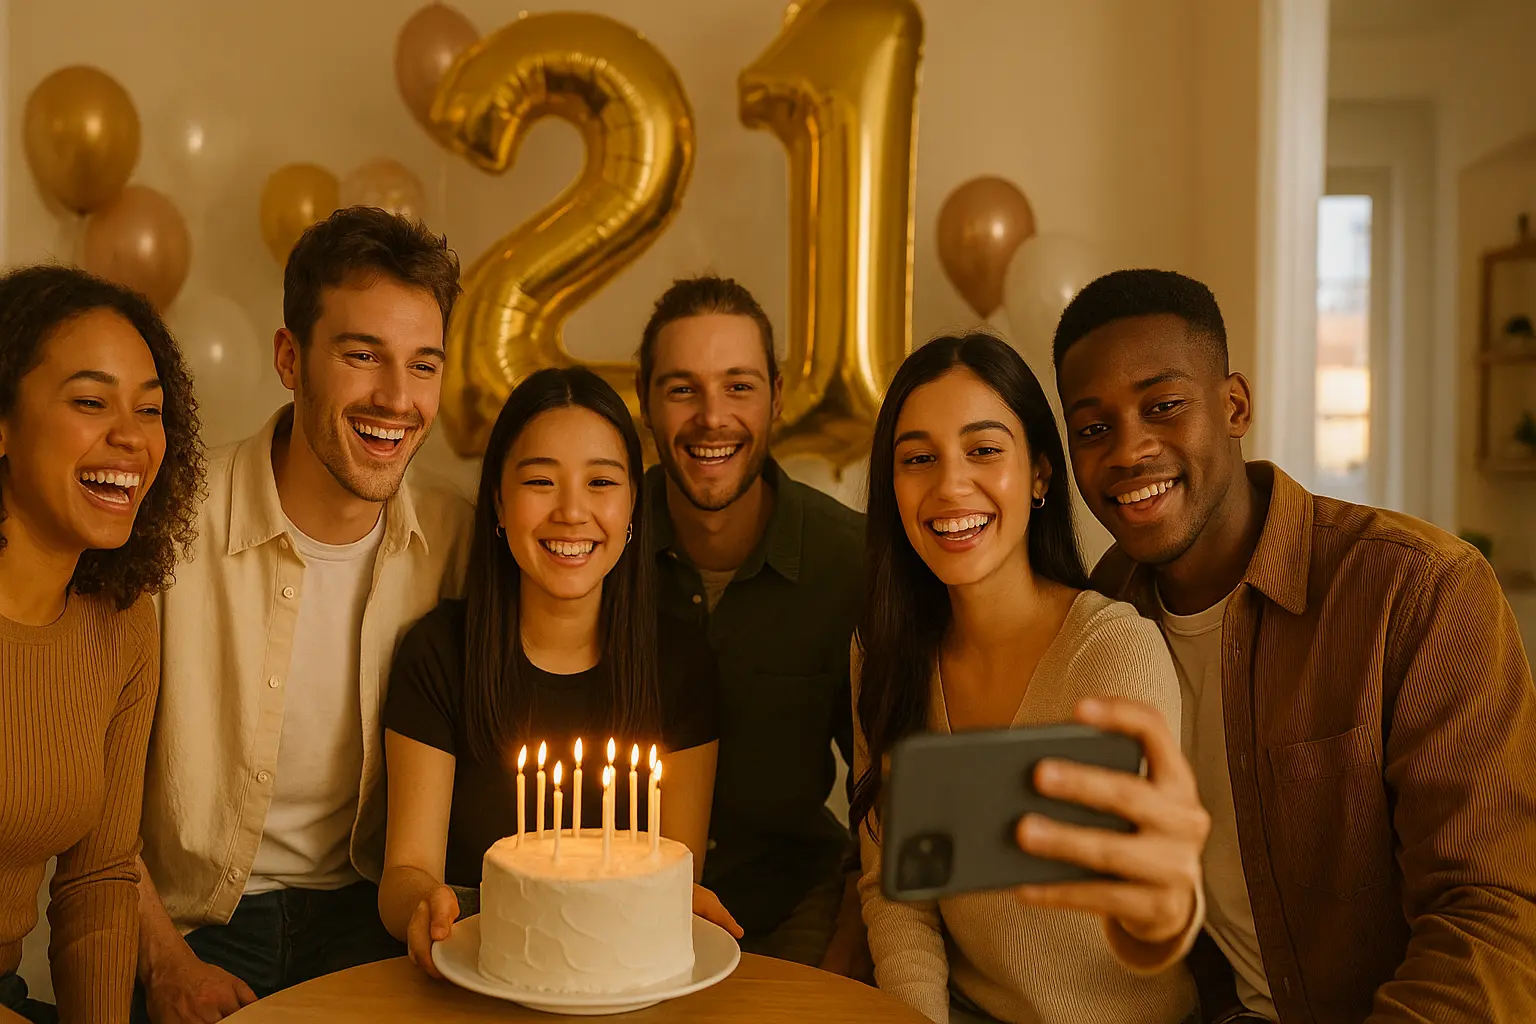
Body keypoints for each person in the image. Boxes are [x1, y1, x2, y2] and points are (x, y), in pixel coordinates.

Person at [1053, 268, 1536, 1023]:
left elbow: (1494, 915)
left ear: (1235, 404)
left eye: (1164, 406)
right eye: (1093, 428)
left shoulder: (1420, 592)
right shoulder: (1101, 617)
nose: (1128, 449)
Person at [132, 207, 474, 1024]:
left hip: (374, 918)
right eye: (363, 356)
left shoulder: (459, 540)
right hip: (195, 924)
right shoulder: (168, 522)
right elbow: (92, 792)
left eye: (422, 365)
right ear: (291, 358)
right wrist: (165, 963)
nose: (398, 399)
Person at [851, 332, 1205, 1024]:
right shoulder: (883, 651)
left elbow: (1145, 903)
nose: (950, 485)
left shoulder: (1114, 651)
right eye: (918, 459)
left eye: (984, 451)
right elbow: (897, 898)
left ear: (1040, 476)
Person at [380, 366, 738, 975]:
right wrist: (427, 903)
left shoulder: (679, 667)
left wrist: (679, 902)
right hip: (474, 972)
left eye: (601, 481)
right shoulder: (439, 655)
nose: (571, 512)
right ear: (497, 497)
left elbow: (675, 871)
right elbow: (404, 876)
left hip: (630, 983)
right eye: (541, 480)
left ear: (632, 506)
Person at [635, 276, 867, 971]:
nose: (713, 417)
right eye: (682, 389)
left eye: (738, 386)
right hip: (623, 908)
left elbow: (886, 799)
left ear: (777, 395)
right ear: (645, 401)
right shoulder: (593, 541)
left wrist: (844, 967)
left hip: (790, 907)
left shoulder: (849, 561)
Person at [0, 266, 204, 1024]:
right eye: (91, 402)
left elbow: (98, 882)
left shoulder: (122, 621)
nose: (131, 436)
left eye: (149, 410)